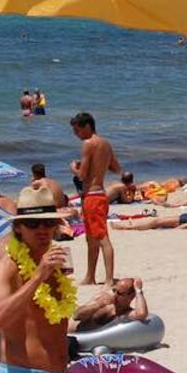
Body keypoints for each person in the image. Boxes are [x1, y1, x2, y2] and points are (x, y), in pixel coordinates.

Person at [0, 190, 75, 373]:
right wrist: (36, 278)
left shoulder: (55, 262)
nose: (42, 230)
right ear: (18, 229)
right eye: (33, 224)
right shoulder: (8, 267)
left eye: (48, 222)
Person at [68, 112, 120, 285]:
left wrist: (74, 168)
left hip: (92, 195)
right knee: (91, 238)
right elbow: (116, 168)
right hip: (100, 194)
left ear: (87, 126)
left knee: (102, 238)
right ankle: (90, 276)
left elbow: (82, 176)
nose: (76, 134)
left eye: (77, 130)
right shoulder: (105, 144)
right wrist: (100, 167)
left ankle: (109, 279)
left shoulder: (88, 143)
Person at [74, 276, 149, 331]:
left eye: (119, 293)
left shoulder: (126, 313)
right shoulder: (102, 299)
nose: (115, 295)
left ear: (131, 296)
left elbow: (141, 314)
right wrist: (98, 305)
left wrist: (138, 290)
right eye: (114, 290)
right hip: (69, 332)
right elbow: (77, 315)